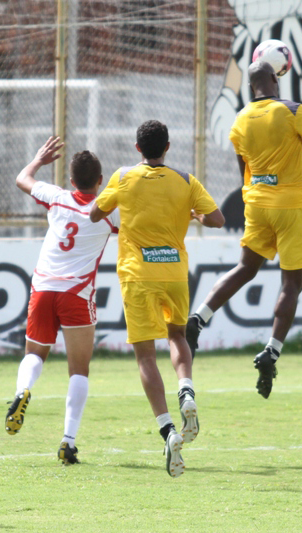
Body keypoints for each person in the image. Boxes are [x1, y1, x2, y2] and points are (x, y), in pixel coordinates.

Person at [186, 61, 302, 399]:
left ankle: (199, 317)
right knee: (291, 284)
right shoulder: (293, 110)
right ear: (277, 80)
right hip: (292, 206)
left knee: (246, 268)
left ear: (250, 87)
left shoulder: (240, 120)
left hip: (257, 204)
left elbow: (242, 170)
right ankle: (271, 351)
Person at [90, 120, 225, 477]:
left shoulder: (122, 177)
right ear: (167, 147)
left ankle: (167, 430)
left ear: (138, 149)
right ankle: (187, 391)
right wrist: (194, 214)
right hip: (175, 273)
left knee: (145, 355)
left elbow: (94, 213)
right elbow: (218, 218)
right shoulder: (185, 179)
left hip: (138, 275)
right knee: (178, 336)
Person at [5, 136, 119, 465]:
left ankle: (21, 391)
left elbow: (22, 179)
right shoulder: (109, 214)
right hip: (76, 295)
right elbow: (140, 227)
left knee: (35, 355)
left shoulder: (57, 198)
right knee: (78, 370)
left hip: (42, 289)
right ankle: (68, 441)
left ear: (70, 181)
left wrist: (39, 159)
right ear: (100, 181)